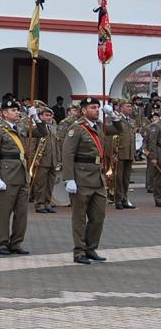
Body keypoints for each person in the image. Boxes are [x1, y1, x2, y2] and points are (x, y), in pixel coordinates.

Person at [61, 97, 124, 264]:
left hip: (97, 177)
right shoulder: (77, 128)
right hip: (81, 177)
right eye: (93, 107)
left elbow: (119, 129)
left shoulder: (99, 126)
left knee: (98, 217)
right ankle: (79, 251)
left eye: (98, 107)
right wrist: (69, 179)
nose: (97, 110)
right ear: (83, 110)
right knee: (80, 217)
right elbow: (68, 154)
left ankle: (91, 248)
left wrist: (114, 116)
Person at [0, 99, 45, 255]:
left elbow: (42, 133)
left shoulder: (21, 127)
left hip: (21, 173)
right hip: (6, 175)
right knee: (5, 212)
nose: (17, 112)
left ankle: (16, 243)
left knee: (21, 213)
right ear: (4, 113)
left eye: (17, 110)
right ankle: (1, 244)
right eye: (13, 110)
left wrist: (37, 119)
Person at [31, 106, 59, 214]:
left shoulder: (53, 128)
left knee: (50, 183)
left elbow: (56, 145)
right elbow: (33, 144)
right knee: (40, 184)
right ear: (41, 116)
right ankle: (39, 204)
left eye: (50, 115)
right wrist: (34, 158)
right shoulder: (37, 127)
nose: (48, 117)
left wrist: (58, 159)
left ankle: (47, 203)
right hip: (42, 160)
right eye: (46, 115)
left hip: (52, 160)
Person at [110, 99, 137, 210]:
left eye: (130, 106)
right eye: (127, 106)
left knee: (126, 178)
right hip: (119, 152)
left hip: (129, 152)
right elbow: (111, 138)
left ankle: (125, 198)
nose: (129, 108)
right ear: (121, 108)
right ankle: (118, 200)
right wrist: (113, 154)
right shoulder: (117, 120)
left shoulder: (132, 121)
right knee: (118, 178)